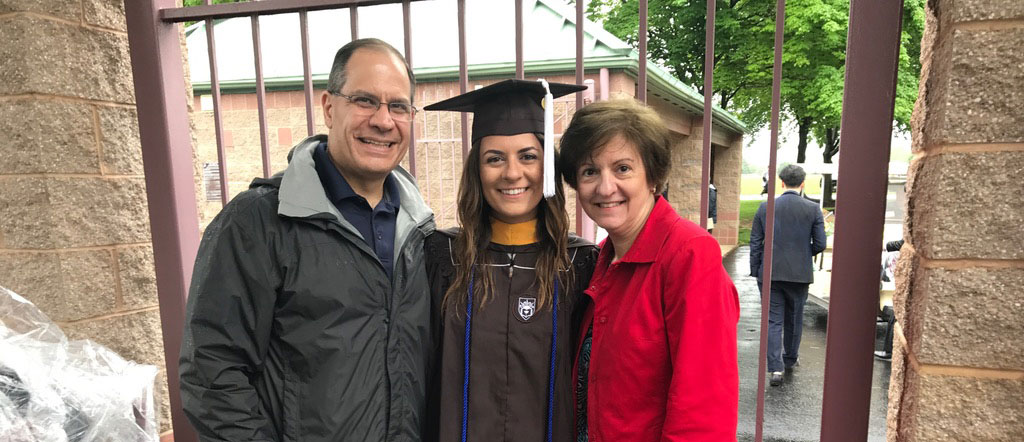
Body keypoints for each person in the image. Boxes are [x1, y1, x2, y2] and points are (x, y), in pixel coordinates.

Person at [178, 39, 435, 441]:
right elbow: (211, 370)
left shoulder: (421, 232)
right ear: (330, 107)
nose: (384, 121)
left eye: (398, 106)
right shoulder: (260, 222)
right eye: (365, 100)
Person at [422, 79, 598, 442]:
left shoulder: (580, 264)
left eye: (528, 156)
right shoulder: (443, 257)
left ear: (547, 166)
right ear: (477, 170)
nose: (512, 173)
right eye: (494, 158)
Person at [559, 99, 740, 441]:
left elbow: (704, 411)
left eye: (623, 168)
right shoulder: (601, 260)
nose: (605, 187)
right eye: (589, 171)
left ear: (654, 176)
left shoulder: (688, 255)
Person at [749, 164, 827, 387]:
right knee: (794, 318)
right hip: (799, 273)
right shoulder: (813, 209)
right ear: (803, 183)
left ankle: (775, 368)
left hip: (770, 272)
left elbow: (755, 242)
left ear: (781, 183)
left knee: (773, 320)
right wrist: (804, 253)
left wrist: (756, 269)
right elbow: (821, 243)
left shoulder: (765, 207)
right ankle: (790, 358)